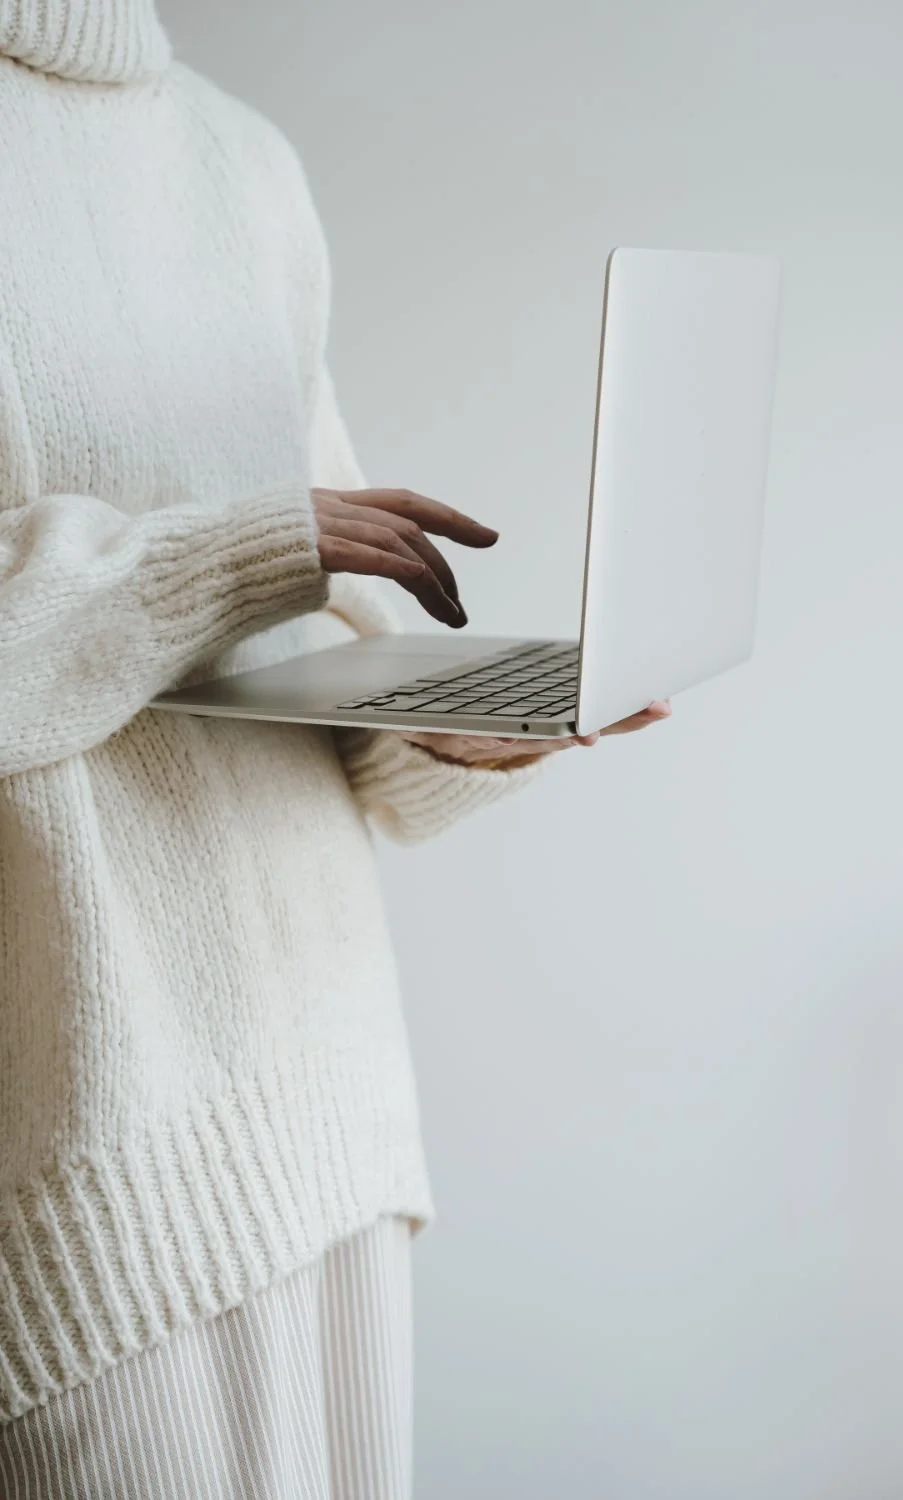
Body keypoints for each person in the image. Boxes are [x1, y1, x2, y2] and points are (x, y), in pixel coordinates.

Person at [0, 1, 670, 1494]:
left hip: (327, 1103)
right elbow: (245, 563)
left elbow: (295, 632)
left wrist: (467, 725)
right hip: (85, 1147)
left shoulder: (243, 162)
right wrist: (230, 557)